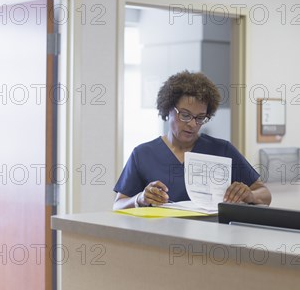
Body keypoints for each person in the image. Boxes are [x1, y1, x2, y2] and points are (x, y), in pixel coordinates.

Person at [113, 71, 271, 209]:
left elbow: (265, 194)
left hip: (213, 236)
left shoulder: (222, 150)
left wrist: (250, 195)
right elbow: (118, 204)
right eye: (185, 115)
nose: (192, 124)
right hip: (161, 238)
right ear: (168, 109)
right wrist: (140, 199)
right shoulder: (143, 154)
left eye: (200, 117)